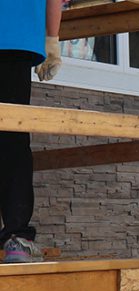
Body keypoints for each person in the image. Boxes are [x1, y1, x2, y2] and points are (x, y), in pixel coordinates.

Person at [0, 0, 63, 263]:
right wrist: (52, 38)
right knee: (12, 138)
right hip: (15, 35)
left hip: (16, 31)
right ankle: (16, 237)